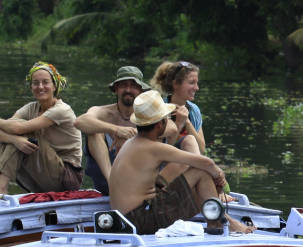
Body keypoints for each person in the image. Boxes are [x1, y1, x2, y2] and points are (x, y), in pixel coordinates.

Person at [108, 90, 251, 235]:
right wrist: (219, 176)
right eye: (166, 118)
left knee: (181, 165)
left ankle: (214, 219)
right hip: (140, 220)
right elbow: (207, 163)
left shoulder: (131, 142)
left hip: (122, 219)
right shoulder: (153, 147)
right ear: (160, 124)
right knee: (200, 171)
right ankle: (222, 220)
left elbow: (191, 161)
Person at [74, 64, 178, 195]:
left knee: (158, 131)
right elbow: (79, 122)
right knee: (93, 129)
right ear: (116, 89)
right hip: (109, 183)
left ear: (141, 91)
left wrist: (133, 135)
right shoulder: (104, 112)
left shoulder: (149, 113)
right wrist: (117, 130)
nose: (128, 90)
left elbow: (172, 128)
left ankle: (158, 187)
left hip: (141, 180)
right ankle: (113, 182)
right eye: (123, 85)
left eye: (134, 86)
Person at [0, 62, 83, 196]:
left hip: (66, 179)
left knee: (23, 129)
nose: (40, 87)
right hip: (41, 176)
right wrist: (15, 140)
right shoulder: (31, 108)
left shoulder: (62, 110)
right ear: (31, 86)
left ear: (54, 86)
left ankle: (0, 185)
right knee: (16, 132)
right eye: (35, 83)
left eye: (45, 82)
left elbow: (17, 128)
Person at [151, 59, 205, 153]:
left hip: (188, 162)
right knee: (189, 141)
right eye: (192, 82)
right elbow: (160, 151)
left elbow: (201, 149)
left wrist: (187, 122)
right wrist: (179, 124)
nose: (197, 88)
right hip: (164, 163)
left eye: (197, 83)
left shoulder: (194, 110)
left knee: (190, 140)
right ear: (175, 84)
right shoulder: (159, 109)